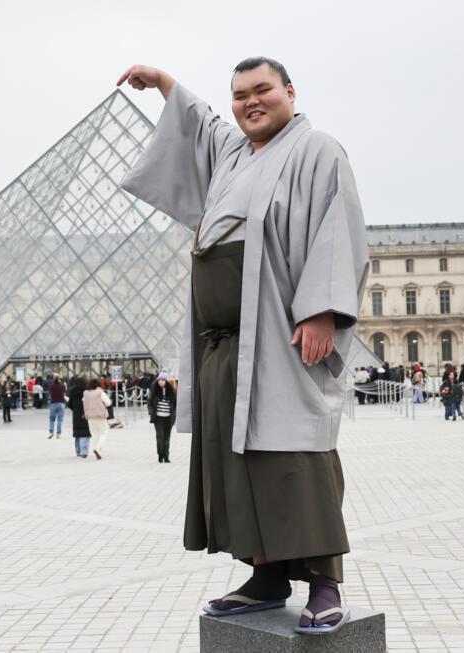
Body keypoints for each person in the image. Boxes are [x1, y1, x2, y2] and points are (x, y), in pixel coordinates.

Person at [118, 58, 368, 634]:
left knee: (294, 455)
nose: (250, 102)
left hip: (281, 331)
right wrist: (164, 86)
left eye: (262, 91)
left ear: (289, 92)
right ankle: (265, 576)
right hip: (222, 344)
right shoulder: (234, 152)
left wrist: (323, 311)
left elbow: (341, 226)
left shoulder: (318, 151)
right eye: (239, 95)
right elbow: (201, 125)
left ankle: (324, 584)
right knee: (235, 462)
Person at [148, 372, 177, 463]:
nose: (161, 382)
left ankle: (166, 456)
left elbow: (175, 404)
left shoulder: (171, 391)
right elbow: (150, 403)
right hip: (158, 418)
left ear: (166, 381)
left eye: (163, 380)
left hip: (168, 418)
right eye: (159, 380)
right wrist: (151, 412)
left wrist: (174, 414)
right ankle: (160, 454)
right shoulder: (154, 390)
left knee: (167, 438)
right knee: (160, 436)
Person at [84, 378, 112, 460]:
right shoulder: (100, 392)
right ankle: (97, 448)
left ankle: (97, 450)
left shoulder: (86, 393)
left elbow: (84, 402)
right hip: (100, 415)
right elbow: (108, 402)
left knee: (94, 435)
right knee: (103, 433)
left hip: (90, 416)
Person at [67, 376, 90, 458]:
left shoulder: (73, 391)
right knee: (85, 433)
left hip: (76, 414)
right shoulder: (87, 392)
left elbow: (69, 404)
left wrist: (75, 409)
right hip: (85, 413)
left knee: (77, 434)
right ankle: (84, 451)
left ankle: (78, 451)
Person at [47, 374, 66, 439]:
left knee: (52, 419)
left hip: (53, 403)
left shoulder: (51, 386)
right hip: (61, 403)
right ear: (59, 379)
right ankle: (58, 433)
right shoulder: (62, 385)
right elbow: (64, 393)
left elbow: (50, 393)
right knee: (60, 420)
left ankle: (51, 432)